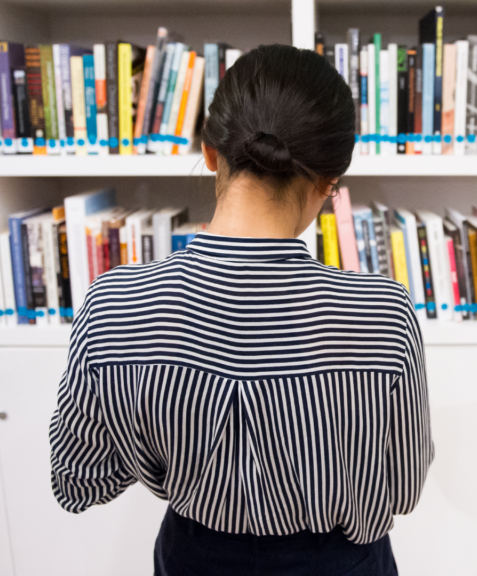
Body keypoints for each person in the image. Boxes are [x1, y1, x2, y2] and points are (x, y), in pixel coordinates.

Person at [49, 44, 433, 576]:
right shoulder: (383, 313)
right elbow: (403, 487)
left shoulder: (113, 305)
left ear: (210, 153)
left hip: (193, 560)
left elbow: (77, 480)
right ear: (330, 182)